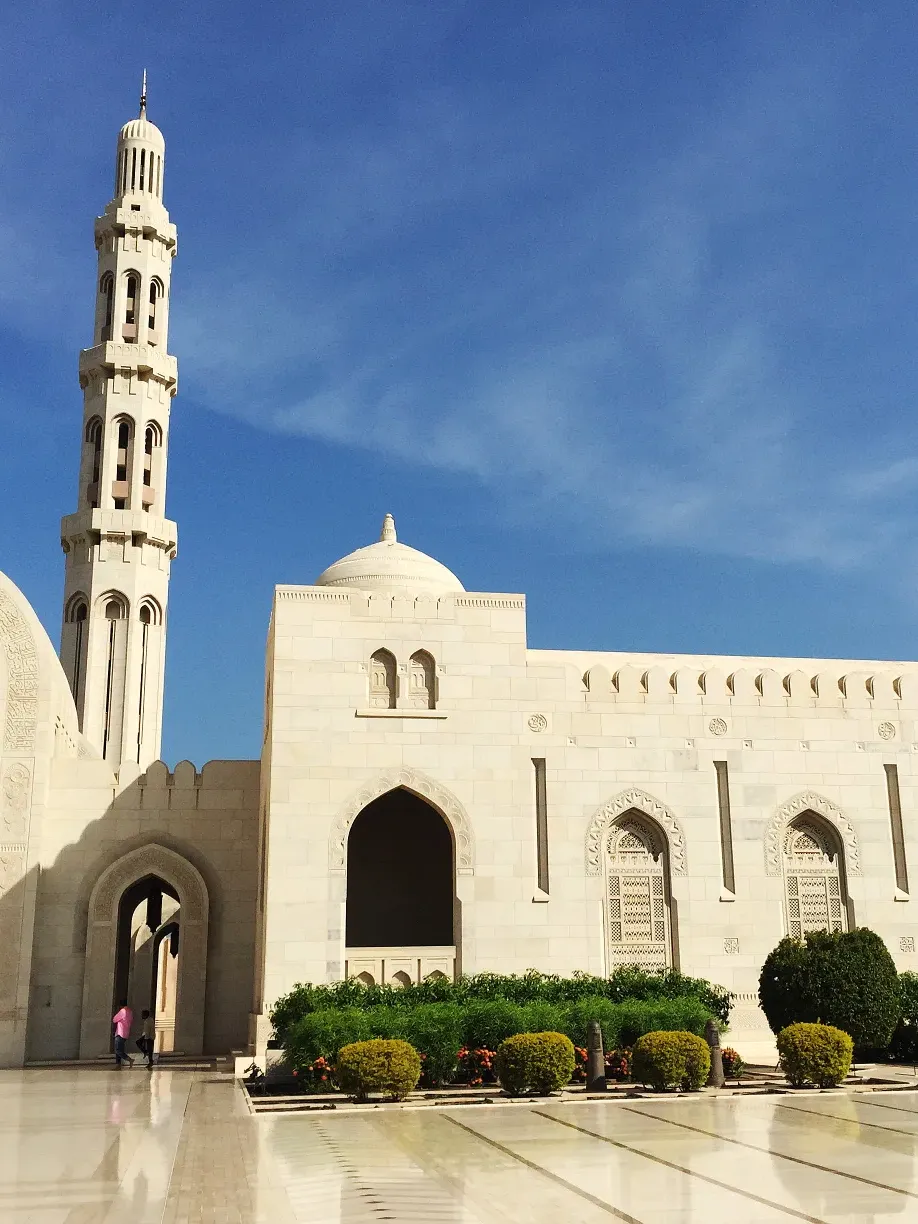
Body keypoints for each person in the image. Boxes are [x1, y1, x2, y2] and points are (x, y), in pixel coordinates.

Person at [111, 1000, 134, 1067]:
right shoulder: (130, 1011)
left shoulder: (123, 1011)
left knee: (118, 1050)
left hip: (120, 1032)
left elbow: (114, 1019)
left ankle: (129, 1059)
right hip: (126, 1033)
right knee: (120, 1049)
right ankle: (118, 1064)